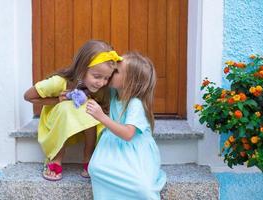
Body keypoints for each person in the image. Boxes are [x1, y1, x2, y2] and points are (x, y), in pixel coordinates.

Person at [24, 40, 123, 181]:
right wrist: (56, 100)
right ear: (82, 69)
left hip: (81, 121)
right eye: (97, 77)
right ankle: (55, 158)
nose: (101, 83)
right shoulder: (59, 82)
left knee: (92, 107)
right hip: (56, 120)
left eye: (106, 78)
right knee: (66, 107)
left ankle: (89, 156)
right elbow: (28, 96)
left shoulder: (102, 89)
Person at [86, 52, 166, 199]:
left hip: (134, 149)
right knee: (95, 168)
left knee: (142, 187)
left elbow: (128, 134)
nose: (111, 73)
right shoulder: (112, 93)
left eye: (116, 71)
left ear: (130, 81)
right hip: (112, 145)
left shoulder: (135, 103)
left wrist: (101, 117)